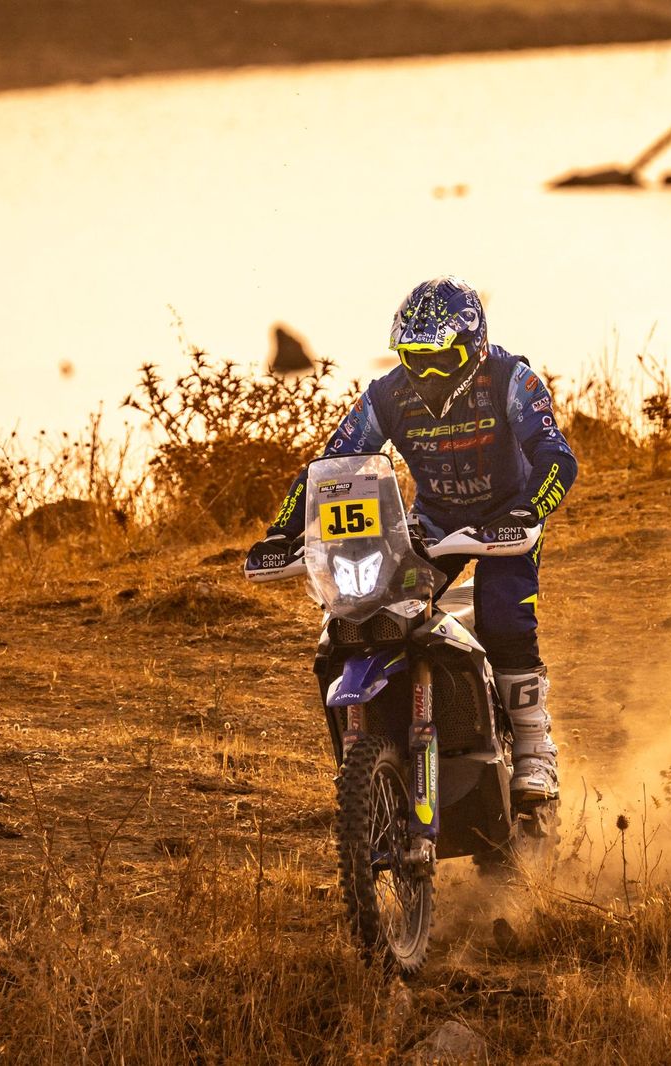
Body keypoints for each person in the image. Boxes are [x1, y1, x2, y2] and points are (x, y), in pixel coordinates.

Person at [245, 276, 577, 801]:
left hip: (503, 520)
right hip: (434, 522)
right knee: (373, 609)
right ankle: (394, 738)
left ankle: (536, 750)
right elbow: (329, 466)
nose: (425, 373)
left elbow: (556, 457)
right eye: (412, 358)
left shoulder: (514, 379)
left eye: (439, 359)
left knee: (504, 615)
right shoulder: (387, 394)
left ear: (472, 348)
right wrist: (283, 531)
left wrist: (529, 509)